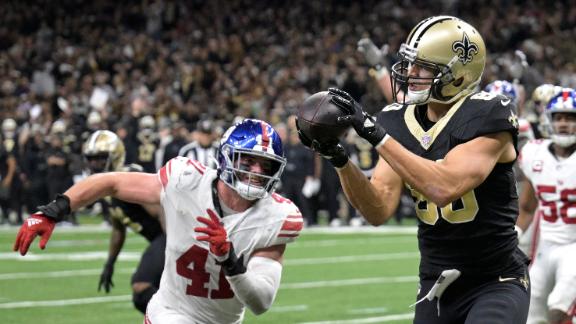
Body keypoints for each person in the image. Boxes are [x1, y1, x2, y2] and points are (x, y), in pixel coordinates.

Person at [298, 16, 530, 323]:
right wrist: (338, 158)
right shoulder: (397, 120)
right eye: (409, 64)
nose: (410, 74)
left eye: (424, 67)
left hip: (495, 281)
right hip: (436, 284)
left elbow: (444, 187)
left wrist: (374, 133)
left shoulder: (489, 115)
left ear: (459, 75)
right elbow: (378, 209)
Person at [14, 118, 303, 323]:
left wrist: (230, 260)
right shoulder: (186, 181)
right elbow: (111, 182)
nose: (256, 172)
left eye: (266, 165)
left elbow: (261, 302)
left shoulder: (276, 216)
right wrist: (53, 210)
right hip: (171, 312)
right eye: (248, 161)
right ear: (227, 158)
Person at [83, 130, 165, 314]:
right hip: (163, 239)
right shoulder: (107, 188)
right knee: (161, 294)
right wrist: (110, 263)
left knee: (142, 288)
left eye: (100, 158)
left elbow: (163, 212)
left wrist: (177, 248)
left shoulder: (129, 178)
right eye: (91, 159)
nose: (94, 164)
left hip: (171, 236)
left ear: (115, 156)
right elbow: (118, 228)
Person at [516, 89, 576, 324]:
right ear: (549, 120)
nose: (563, 124)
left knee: (559, 308)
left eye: (570, 118)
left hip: (574, 245)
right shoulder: (535, 154)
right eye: (559, 117)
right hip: (545, 247)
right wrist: (516, 234)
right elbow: (528, 207)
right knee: (530, 313)